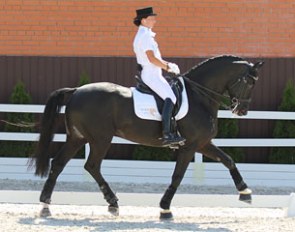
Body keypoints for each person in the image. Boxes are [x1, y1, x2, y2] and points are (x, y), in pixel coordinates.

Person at [133, 7, 185, 147]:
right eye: (151, 18)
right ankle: (167, 134)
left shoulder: (146, 35)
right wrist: (167, 68)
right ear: (143, 20)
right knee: (171, 98)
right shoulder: (145, 37)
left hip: (154, 73)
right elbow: (151, 59)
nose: (155, 21)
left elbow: (156, 58)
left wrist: (169, 64)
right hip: (151, 74)